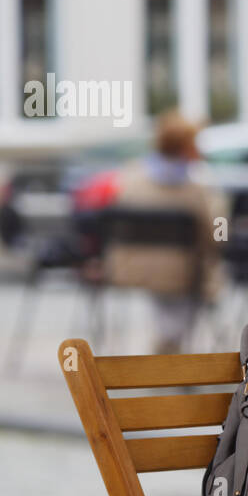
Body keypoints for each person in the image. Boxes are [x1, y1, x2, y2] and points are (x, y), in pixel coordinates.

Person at [104, 110, 224, 354]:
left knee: (169, 311)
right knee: (205, 278)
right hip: (182, 273)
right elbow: (216, 234)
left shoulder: (129, 178)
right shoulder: (198, 188)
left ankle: (168, 350)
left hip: (130, 268)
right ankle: (169, 357)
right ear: (187, 147)